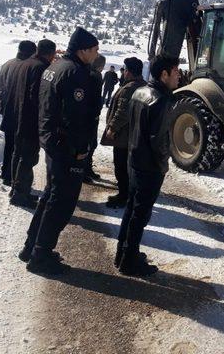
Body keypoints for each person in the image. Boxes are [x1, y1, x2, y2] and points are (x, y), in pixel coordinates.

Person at [20, 27, 99, 275]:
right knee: (62, 201)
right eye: (94, 50)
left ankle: (31, 245)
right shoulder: (75, 73)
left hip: (52, 141)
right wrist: (80, 150)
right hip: (66, 146)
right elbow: (76, 117)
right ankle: (41, 255)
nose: (96, 55)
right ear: (83, 50)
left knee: (50, 194)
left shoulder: (53, 68)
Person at [115, 54, 179, 277]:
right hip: (149, 166)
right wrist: (164, 164)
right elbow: (159, 140)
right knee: (140, 215)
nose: (179, 76)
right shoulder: (161, 99)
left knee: (131, 209)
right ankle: (129, 261)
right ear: (164, 74)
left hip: (134, 160)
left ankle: (122, 253)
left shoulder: (139, 92)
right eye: (176, 72)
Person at [9, 39, 57, 208]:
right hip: (31, 120)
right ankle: (19, 194)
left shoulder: (26, 63)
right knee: (28, 158)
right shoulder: (41, 68)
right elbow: (37, 97)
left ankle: (17, 189)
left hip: (20, 116)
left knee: (19, 154)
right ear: (51, 53)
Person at [101, 57, 145, 208]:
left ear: (129, 71)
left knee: (121, 167)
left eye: (125, 70)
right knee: (128, 167)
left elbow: (123, 112)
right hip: (134, 136)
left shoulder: (129, 88)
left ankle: (123, 196)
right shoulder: (143, 85)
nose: (124, 72)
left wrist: (112, 128)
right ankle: (127, 194)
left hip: (124, 136)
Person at [0, 40, 37, 185]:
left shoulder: (8, 64)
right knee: (18, 148)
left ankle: (5, 172)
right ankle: (12, 177)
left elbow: (1, 89)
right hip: (18, 112)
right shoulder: (26, 67)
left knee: (10, 144)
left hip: (7, 110)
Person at [84, 54, 106, 183]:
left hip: (88, 115)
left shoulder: (87, 73)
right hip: (91, 116)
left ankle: (87, 168)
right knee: (90, 144)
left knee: (90, 144)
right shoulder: (96, 76)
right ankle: (85, 170)